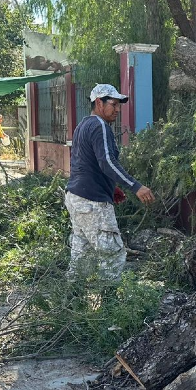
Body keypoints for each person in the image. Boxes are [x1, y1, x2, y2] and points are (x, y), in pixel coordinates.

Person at [65, 84, 155, 280]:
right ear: (99, 102)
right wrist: (135, 186)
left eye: (118, 105)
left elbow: (85, 162)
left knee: (82, 256)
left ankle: (72, 302)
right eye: (113, 104)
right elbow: (106, 161)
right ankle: (111, 306)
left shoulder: (83, 125)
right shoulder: (100, 126)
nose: (117, 110)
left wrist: (111, 186)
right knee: (113, 254)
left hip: (76, 198)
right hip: (92, 202)